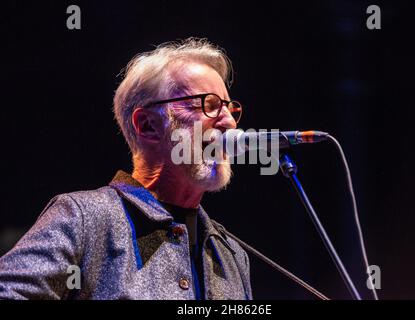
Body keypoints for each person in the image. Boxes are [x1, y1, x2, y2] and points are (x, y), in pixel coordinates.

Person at [0, 38, 252, 300]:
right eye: (209, 105)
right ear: (148, 125)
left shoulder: (231, 254)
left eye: (230, 108)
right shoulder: (84, 218)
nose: (229, 122)